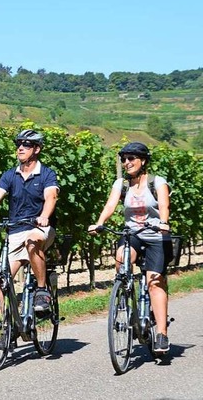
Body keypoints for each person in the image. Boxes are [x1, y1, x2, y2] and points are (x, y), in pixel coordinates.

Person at [88, 142, 171, 353]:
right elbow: (110, 204)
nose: (126, 163)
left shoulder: (157, 182)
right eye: (124, 159)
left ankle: (161, 334)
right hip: (132, 235)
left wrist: (163, 222)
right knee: (120, 259)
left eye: (131, 158)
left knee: (155, 282)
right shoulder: (122, 184)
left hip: (155, 236)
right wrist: (100, 222)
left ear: (143, 161)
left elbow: (164, 205)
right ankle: (125, 293)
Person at [0, 129, 59, 313]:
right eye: (18, 144)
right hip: (15, 231)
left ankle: (42, 291)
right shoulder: (10, 175)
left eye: (26, 145)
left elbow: (51, 197)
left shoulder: (47, 174)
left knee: (32, 241)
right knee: (2, 278)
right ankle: (8, 325)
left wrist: (44, 216)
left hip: (39, 228)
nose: (20, 148)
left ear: (36, 149)